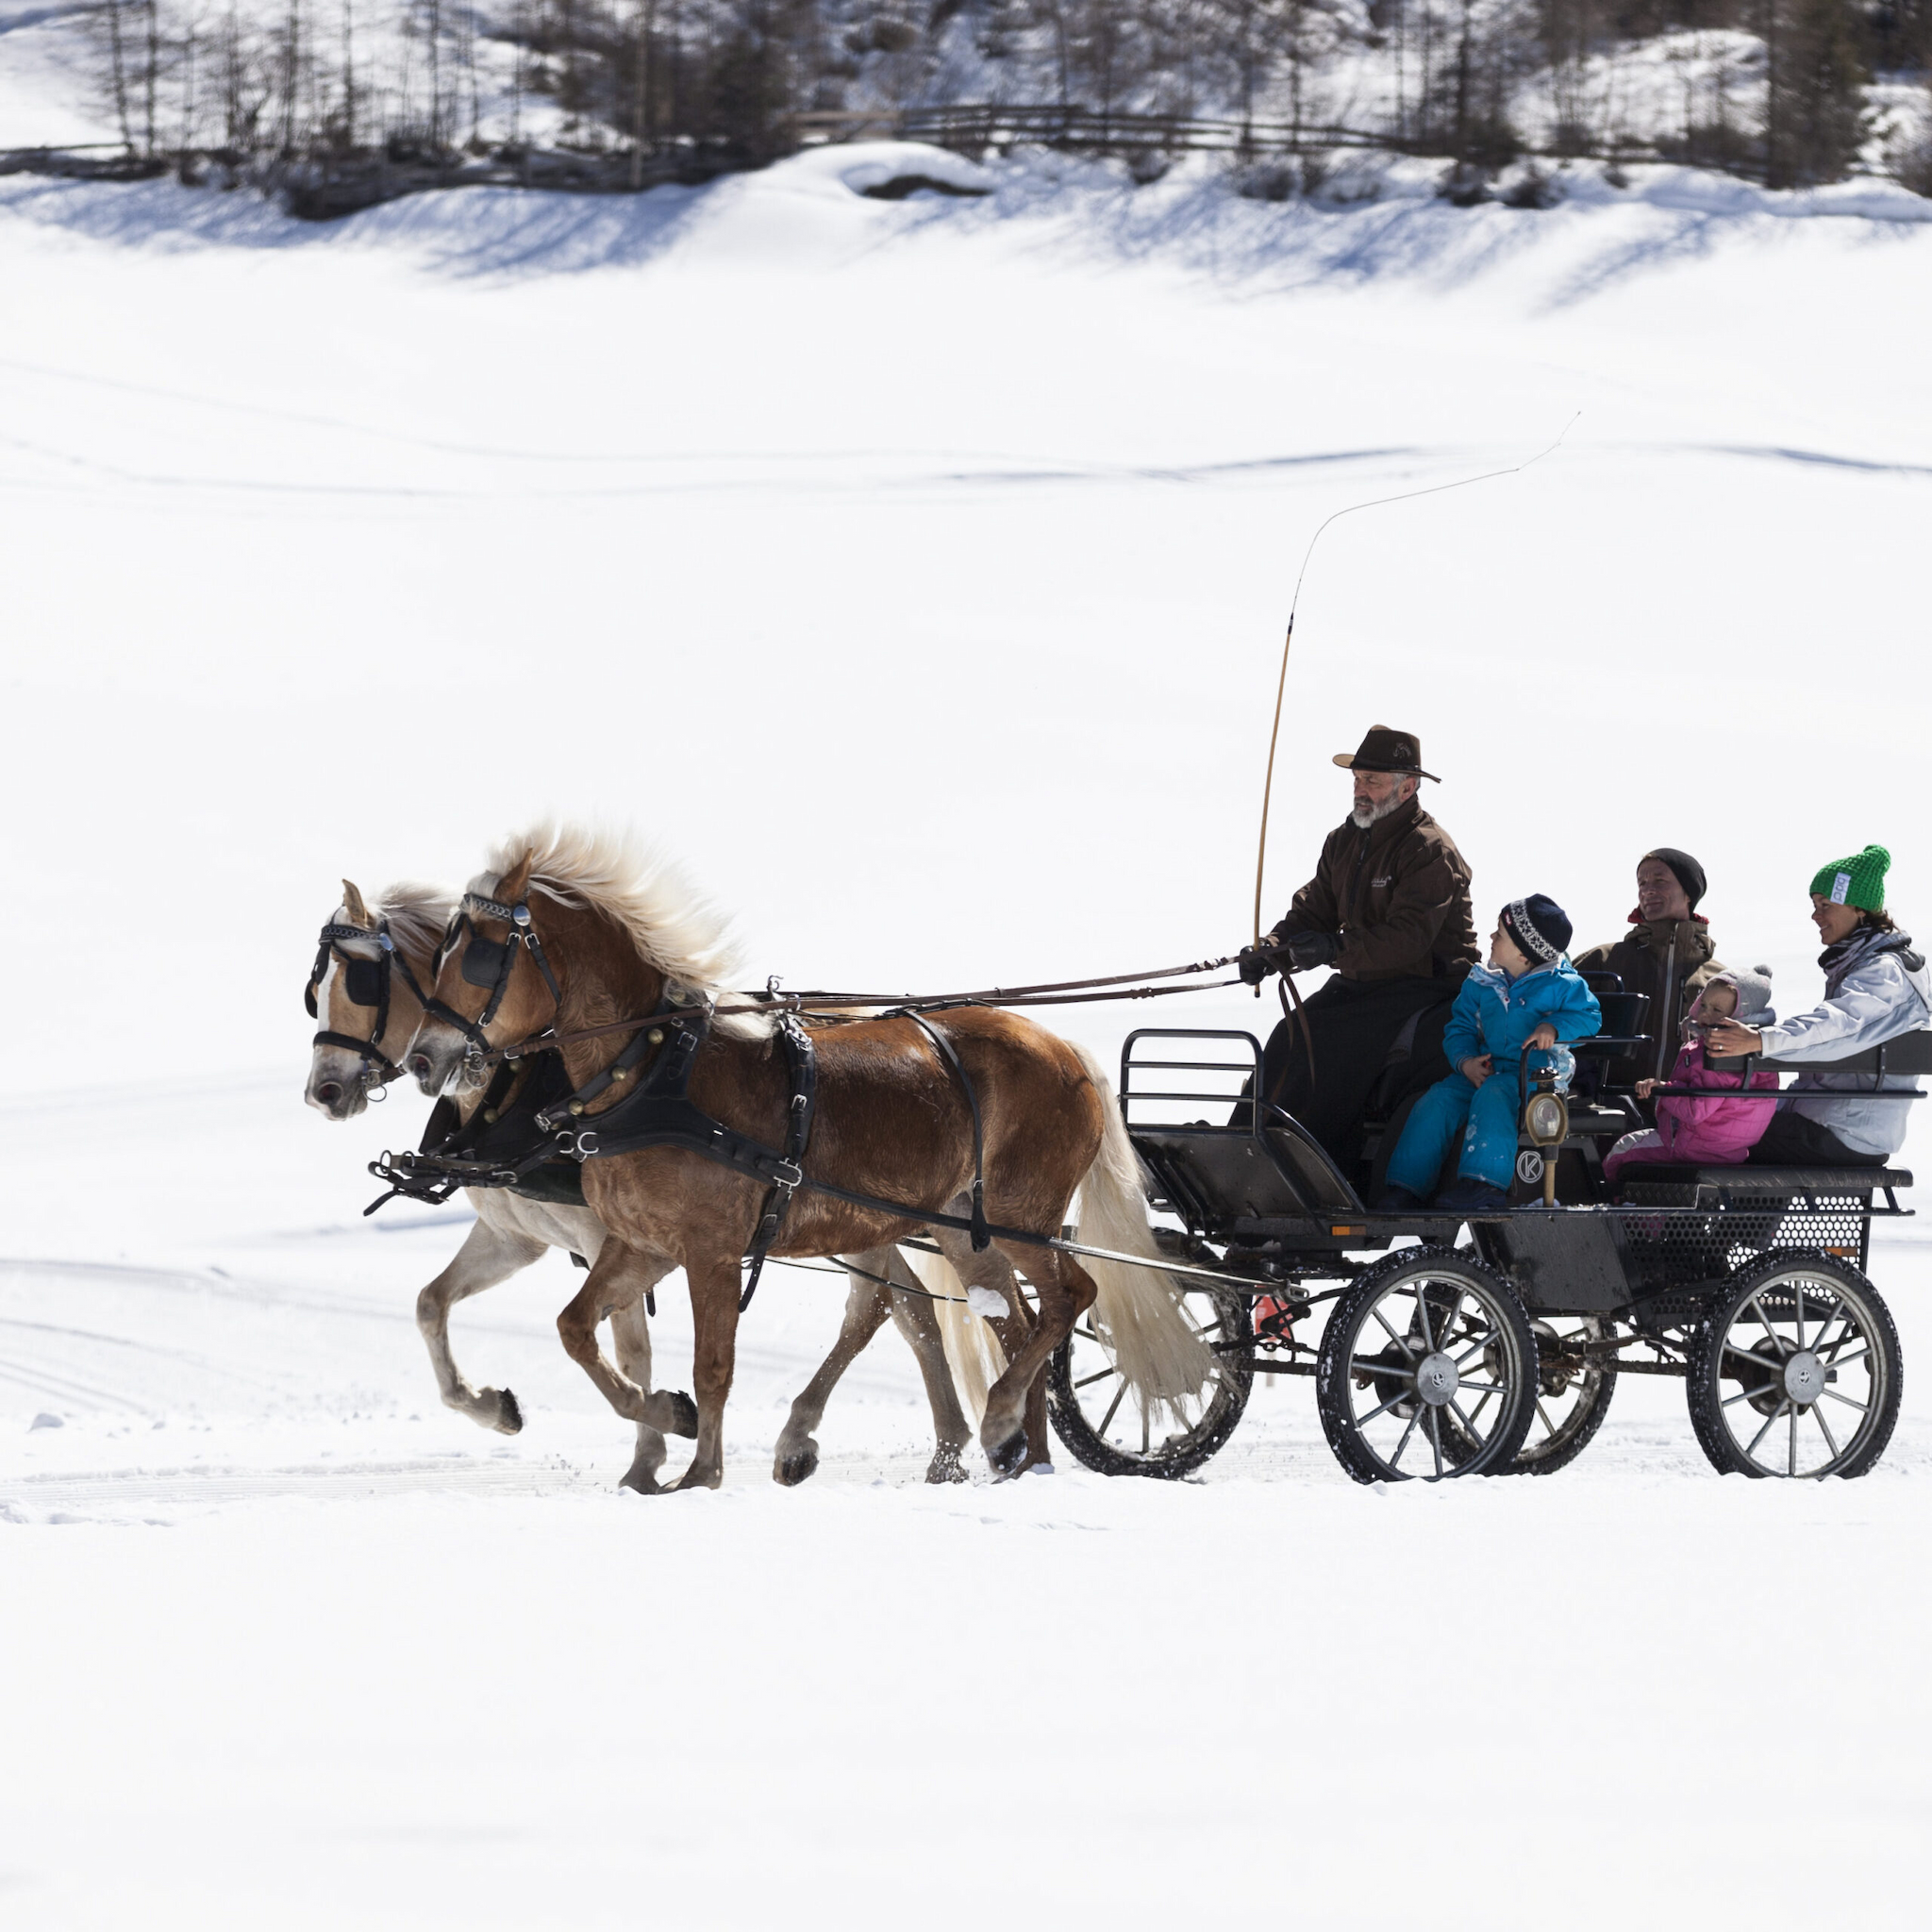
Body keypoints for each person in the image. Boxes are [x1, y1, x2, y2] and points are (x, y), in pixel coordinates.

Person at [1238, 724, 1479, 1173]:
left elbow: (1407, 939)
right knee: (1291, 1034)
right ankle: (1246, 1148)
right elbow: (1314, 908)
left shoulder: (1430, 849)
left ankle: (1311, 1168)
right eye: (1357, 779)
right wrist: (1271, 950)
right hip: (1362, 983)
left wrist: (1332, 948)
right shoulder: (1344, 840)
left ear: (1407, 786)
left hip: (1426, 987)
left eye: (1372, 780)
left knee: (1331, 1043)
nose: (1360, 790)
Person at [1705, 845, 1930, 1169]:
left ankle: (1670, 1218)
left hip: (1842, 1130)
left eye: (1826, 905)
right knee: (1734, 1124)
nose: (1815, 915)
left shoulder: (1883, 972)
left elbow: (1837, 1025)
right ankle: (1742, 1221)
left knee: (1714, 1133)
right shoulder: (1865, 964)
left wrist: (1760, 1040)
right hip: (1833, 1122)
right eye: (1814, 905)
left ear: (1860, 909)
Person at [1378, 896, 1602, 1212]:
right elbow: (1460, 1028)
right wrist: (1465, 1061)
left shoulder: (1562, 985)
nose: (1491, 938)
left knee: (1495, 1094)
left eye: (1500, 934)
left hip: (1536, 1076)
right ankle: (1405, 1188)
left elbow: (1590, 1018)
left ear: (1524, 954)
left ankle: (1484, 1185)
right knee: (1437, 1099)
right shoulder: (1483, 982)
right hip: (1485, 1067)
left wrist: (1553, 1027)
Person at [1602, 969, 1780, 1179]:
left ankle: (1615, 1201)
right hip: (1732, 1152)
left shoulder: (1715, 1054)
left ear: (1739, 1017)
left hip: (1692, 1146)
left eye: (1716, 1010)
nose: (1704, 1015)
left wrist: (1662, 1090)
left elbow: (1695, 1111)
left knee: (1623, 1150)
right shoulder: (1762, 1057)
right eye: (1703, 1005)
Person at [1574, 849, 1724, 1095]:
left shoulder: (1720, 980)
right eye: (1641, 883)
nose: (1648, 890)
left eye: (1660, 880)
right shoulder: (1602, 960)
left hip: (1688, 1115)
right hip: (1607, 1110)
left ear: (1688, 892)